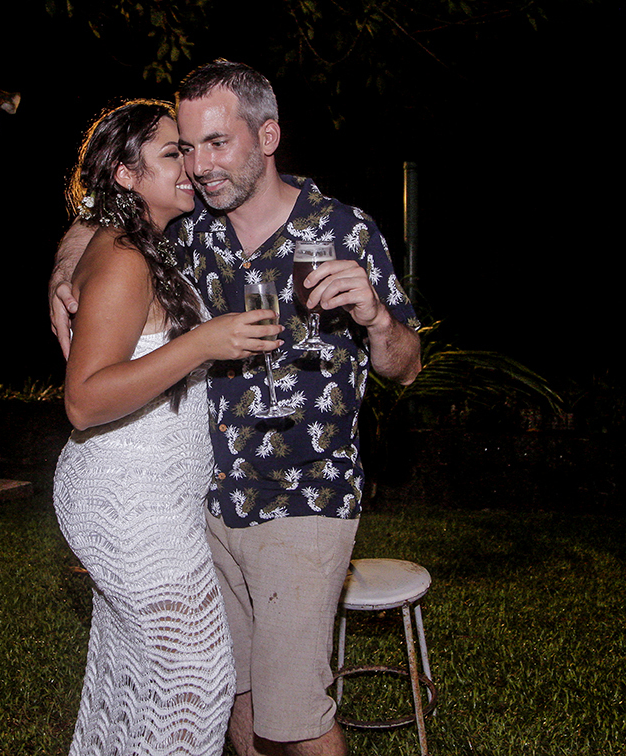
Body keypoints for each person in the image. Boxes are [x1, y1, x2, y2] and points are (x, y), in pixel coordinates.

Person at [51, 62, 422, 756]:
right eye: (187, 147)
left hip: (302, 502)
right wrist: (62, 271)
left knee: (295, 717)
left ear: (267, 135)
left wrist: (374, 318)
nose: (199, 165)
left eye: (217, 144)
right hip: (205, 503)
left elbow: (406, 365)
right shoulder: (193, 233)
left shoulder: (345, 230)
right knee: (231, 696)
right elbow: (108, 222)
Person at [52, 98, 283, 756]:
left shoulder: (146, 244)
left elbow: (82, 224)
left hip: (156, 496)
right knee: (196, 681)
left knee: (139, 677)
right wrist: (203, 341)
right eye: (169, 153)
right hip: (128, 499)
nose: (187, 165)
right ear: (125, 175)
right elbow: (84, 401)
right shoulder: (125, 259)